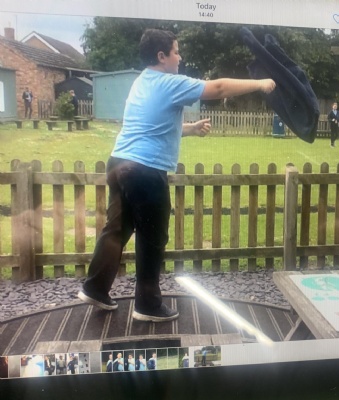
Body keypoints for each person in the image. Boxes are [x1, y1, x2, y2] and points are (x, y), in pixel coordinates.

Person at [77, 28, 275, 322]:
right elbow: (219, 88)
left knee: (116, 229)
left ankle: (95, 288)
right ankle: (147, 305)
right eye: (176, 51)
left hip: (119, 164)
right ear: (162, 56)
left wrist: (191, 129)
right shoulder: (169, 83)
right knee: (152, 237)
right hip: (145, 170)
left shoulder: (141, 82)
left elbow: (153, 126)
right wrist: (260, 83)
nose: (180, 57)